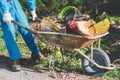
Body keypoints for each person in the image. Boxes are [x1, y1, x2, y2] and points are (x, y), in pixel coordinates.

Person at [0, 0, 43, 71]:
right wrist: (5, 11)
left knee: (25, 28)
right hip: (2, 4)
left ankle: (36, 53)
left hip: (14, 3)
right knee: (9, 32)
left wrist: (32, 10)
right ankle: (14, 59)